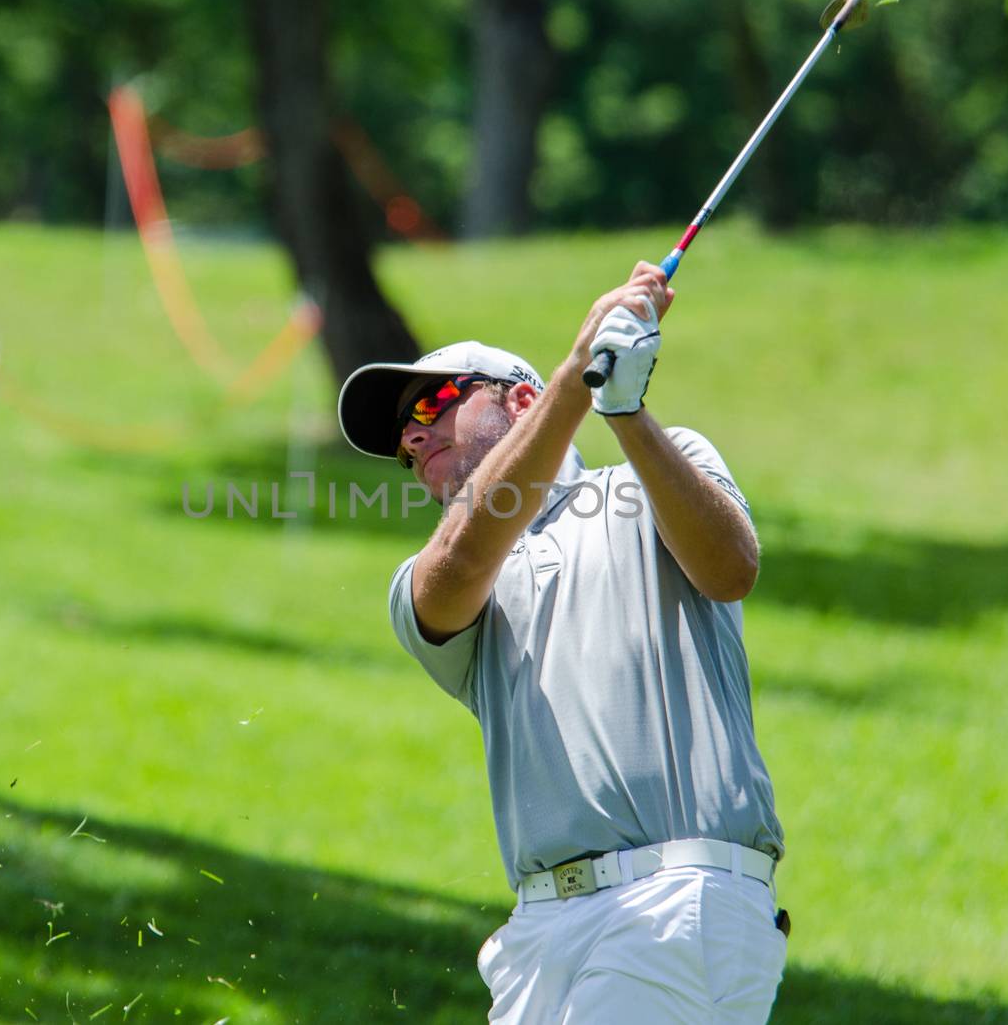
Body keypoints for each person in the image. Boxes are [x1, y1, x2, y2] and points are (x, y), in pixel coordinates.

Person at [336, 262, 788, 1023]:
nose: (414, 436)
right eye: (406, 446)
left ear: (520, 400)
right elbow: (467, 556)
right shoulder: (439, 573)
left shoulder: (651, 476)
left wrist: (624, 410)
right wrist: (577, 380)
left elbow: (731, 567)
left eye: (435, 403)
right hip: (538, 934)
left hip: (677, 899)